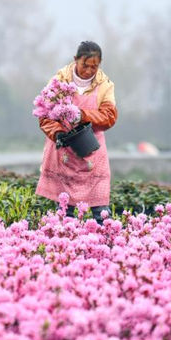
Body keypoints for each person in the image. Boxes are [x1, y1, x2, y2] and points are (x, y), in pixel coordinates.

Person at [36, 41, 117, 224]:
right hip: (64, 151)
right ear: (75, 60)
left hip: (92, 151)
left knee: (101, 211)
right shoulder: (59, 81)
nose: (89, 71)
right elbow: (44, 115)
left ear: (100, 63)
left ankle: (108, 244)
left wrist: (82, 115)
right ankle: (66, 246)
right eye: (85, 65)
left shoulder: (105, 85)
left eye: (94, 67)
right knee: (65, 210)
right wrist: (57, 134)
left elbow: (109, 117)